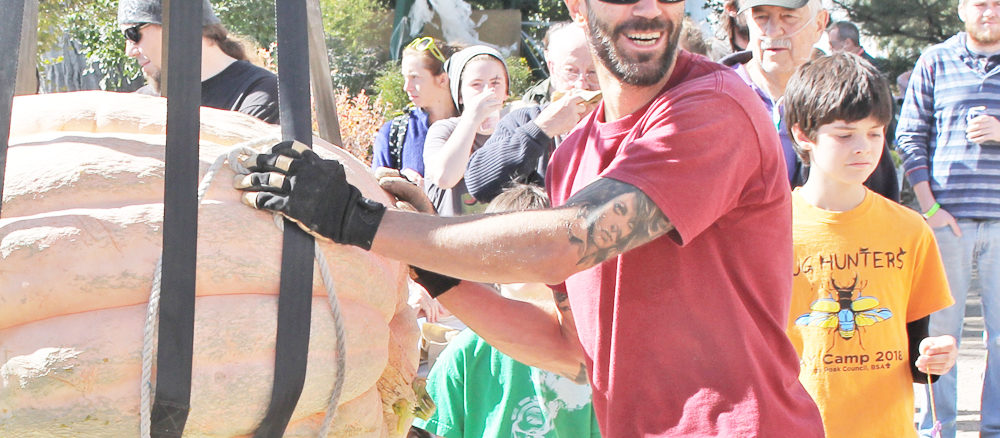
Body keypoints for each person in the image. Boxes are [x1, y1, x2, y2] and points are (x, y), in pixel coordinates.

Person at [234, 0, 825, 434]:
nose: (648, 11)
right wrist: (431, 269)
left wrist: (360, 223)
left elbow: (571, 240)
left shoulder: (712, 109)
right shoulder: (572, 158)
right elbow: (571, 350)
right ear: (578, 5)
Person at [784, 52, 958, 438]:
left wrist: (936, 355)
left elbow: (916, 349)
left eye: (875, 132)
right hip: (796, 427)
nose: (863, 147)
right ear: (802, 134)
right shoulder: (768, 231)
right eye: (845, 134)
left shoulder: (910, 230)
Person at [412, 184, 601, 438]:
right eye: (506, 247)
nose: (521, 259)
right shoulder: (466, 354)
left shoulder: (592, 347)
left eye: (535, 245)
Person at [896, 0, 1000, 436]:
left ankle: (994, 426)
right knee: (941, 335)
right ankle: (939, 428)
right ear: (962, 8)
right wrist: (930, 208)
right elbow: (909, 134)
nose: (990, 11)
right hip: (946, 222)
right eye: (980, 2)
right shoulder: (934, 60)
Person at [722, 0, 900, 202]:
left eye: (788, 17)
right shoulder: (710, 96)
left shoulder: (849, 98)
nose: (773, 31)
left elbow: (881, 207)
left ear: (819, 24)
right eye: (761, 17)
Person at [464, 23, 600, 203]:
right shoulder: (524, 120)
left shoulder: (627, 122)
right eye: (571, 71)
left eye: (593, 72)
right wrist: (542, 129)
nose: (582, 85)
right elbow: (479, 183)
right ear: (552, 68)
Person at [117, 0, 279, 124]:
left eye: (132, 35)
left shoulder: (261, 94)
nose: (129, 52)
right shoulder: (143, 101)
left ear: (177, 24)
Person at [422, 45, 510, 217]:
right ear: (460, 95)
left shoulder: (515, 130)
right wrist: (472, 119)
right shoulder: (444, 130)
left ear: (506, 91)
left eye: (495, 83)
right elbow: (444, 177)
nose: (488, 91)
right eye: (476, 84)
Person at [372, 37, 458, 180]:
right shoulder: (394, 133)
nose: (407, 87)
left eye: (415, 77)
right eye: (405, 78)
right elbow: (374, 195)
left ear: (443, 79)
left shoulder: (478, 128)